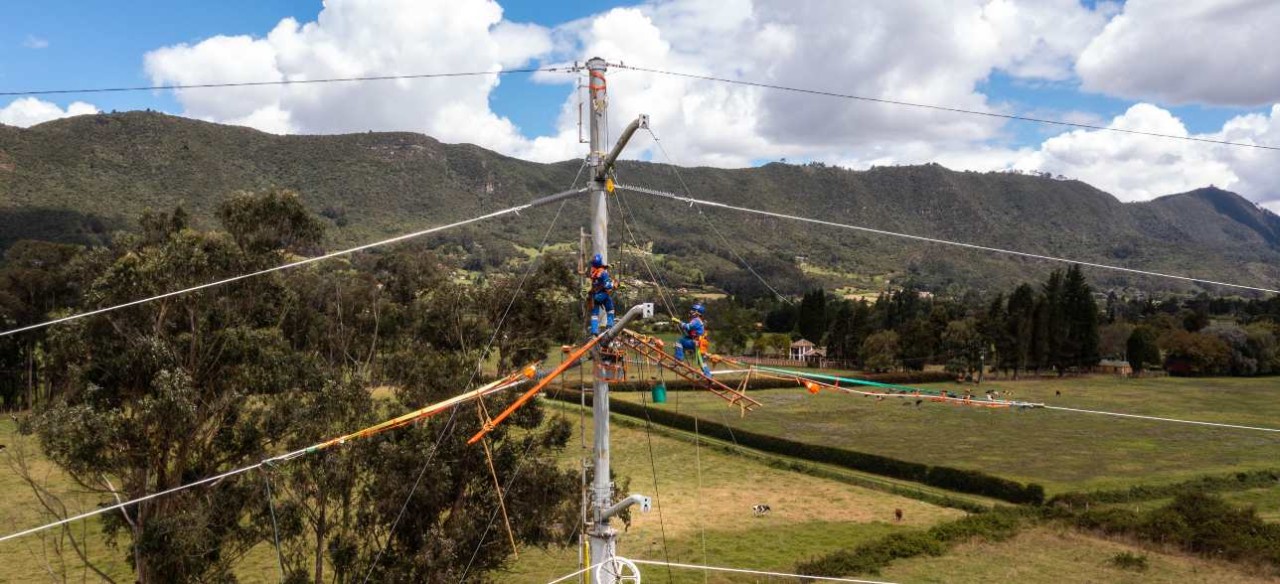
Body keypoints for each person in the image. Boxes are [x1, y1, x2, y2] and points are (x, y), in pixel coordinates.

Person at [674, 303, 711, 376]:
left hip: (696, 342)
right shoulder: (698, 320)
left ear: (698, 313)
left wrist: (679, 322)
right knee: (701, 361)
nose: (691, 311)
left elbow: (687, 326)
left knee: (679, 342)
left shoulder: (696, 320)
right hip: (699, 343)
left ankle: (679, 360)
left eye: (693, 310)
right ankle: (708, 375)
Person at [588, 253, 615, 335]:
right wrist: (614, 284)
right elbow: (608, 286)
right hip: (603, 295)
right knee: (610, 310)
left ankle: (594, 331)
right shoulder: (603, 273)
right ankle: (609, 325)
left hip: (594, 296)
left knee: (594, 314)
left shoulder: (592, 273)